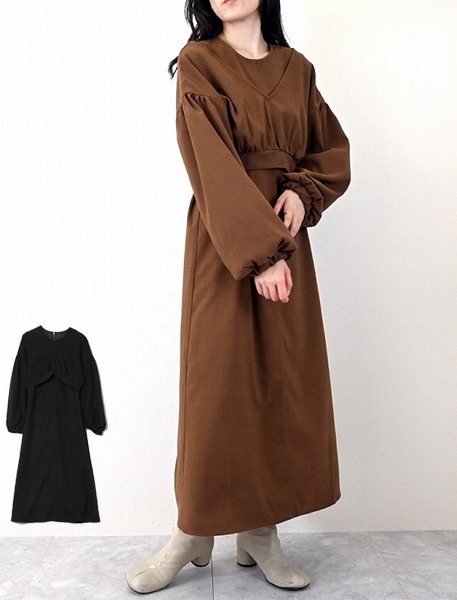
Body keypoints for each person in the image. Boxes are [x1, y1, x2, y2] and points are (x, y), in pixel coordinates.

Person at [126, 0, 350, 593]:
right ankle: (194, 531)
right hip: (227, 240)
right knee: (217, 387)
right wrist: (260, 253)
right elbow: (211, 164)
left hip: (286, 238)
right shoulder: (199, 62)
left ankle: (260, 532)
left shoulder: (297, 69)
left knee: (278, 383)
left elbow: (330, 150)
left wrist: (303, 192)